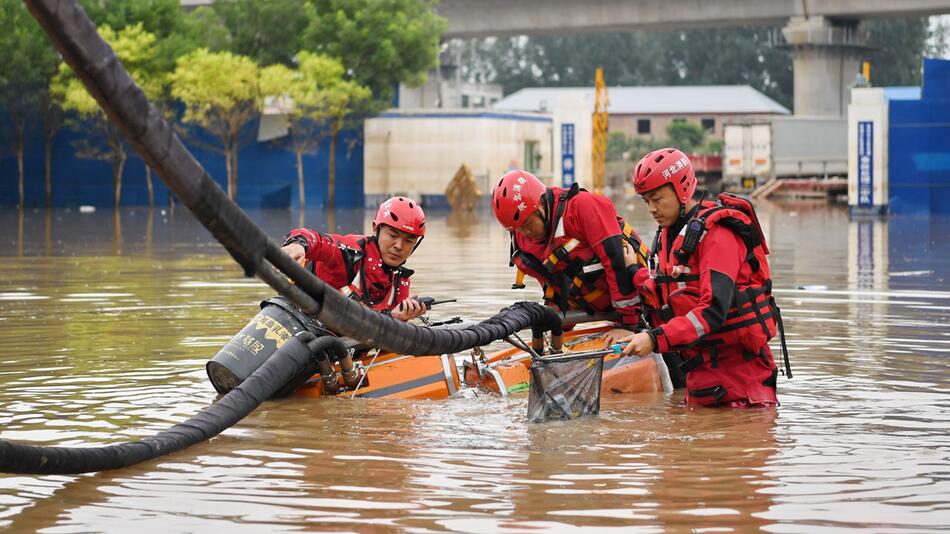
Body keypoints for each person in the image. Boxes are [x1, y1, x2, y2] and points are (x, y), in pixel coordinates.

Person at [619, 148, 789, 407]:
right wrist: (634, 271)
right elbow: (665, 290)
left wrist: (654, 338)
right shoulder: (670, 236)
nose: (652, 209)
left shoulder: (718, 235)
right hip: (700, 381)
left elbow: (712, 310)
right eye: (646, 201)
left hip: (742, 387)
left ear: (682, 188)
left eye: (657, 198)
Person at [491, 169, 649, 342]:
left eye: (528, 224)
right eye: (518, 229)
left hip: (642, 306)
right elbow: (552, 284)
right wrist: (556, 328)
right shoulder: (524, 239)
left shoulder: (582, 207)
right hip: (594, 309)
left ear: (541, 205)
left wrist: (629, 325)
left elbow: (616, 262)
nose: (525, 232)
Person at [281, 196, 428, 322]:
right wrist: (299, 245)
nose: (399, 246)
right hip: (295, 325)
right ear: (376, 229)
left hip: (339, 348)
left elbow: (383, 339)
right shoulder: (349, 252)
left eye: (409, 241)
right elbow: (316, 240)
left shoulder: (400, 282)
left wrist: (396, 318)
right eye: (393, 235)